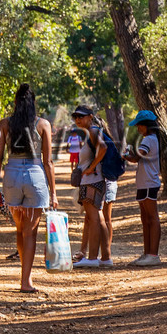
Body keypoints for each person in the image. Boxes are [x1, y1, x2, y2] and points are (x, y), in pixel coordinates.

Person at [0, 82, 56, 293]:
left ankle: (24, 274)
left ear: (16, 103)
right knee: (30, 233)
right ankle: (25, 280)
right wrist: (53, 193)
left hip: (12, 175)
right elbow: (48, 162)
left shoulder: (4, 124)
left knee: (19, 228)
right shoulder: (43, 124)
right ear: (33, 104)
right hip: (35, 175)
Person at [72, 105, 117, 268]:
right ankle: (105, 257)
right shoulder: (90, 132)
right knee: (99, 218)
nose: (78, 119)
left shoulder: (93, 130)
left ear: (90, 117)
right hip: (94, 180)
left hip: (92, 181)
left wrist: (91, 168)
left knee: (94, 218)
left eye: (81, 116)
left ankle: (92, 258)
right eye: (75, 116)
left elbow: (103, 148)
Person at [124, 110, 163, 266]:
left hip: (148, 183)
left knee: (152, 218)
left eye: (139, 125)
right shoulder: (152, 139)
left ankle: (153, 254)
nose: (138, 128)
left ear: (147, 125)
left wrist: (126, 155)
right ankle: (147, 254)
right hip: (144, 183)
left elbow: (136, 158)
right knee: (145, 219)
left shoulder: (149, 140)